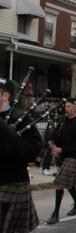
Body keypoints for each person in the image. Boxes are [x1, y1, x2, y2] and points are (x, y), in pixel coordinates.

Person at [0, 78, 43, 233]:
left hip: (12, 183)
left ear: (5, 96)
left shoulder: (21, 117)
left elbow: (35, 149)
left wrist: (5, 149)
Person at [46, 97, 76, 225]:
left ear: (75, 108)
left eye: (68, 106)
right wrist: (52, 141)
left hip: (71, 157)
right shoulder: (63, 120)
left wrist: (61, 149)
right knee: (69, 184)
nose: (65, 108)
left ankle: (55, 214)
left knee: (60, 184)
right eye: (65, 106)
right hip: (61, 156)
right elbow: (58, 135)